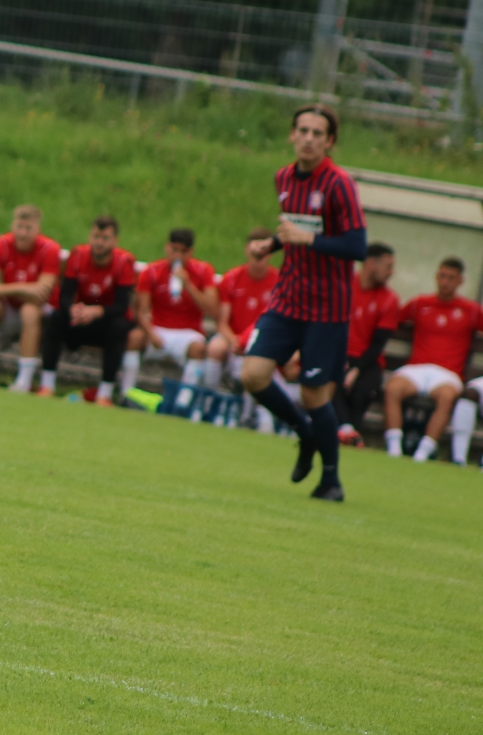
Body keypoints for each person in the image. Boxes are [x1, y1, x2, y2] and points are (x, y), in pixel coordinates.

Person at [237, 104, 367, 501]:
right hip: (288, 299)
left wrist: (305, 239)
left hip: (327, 310)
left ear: (330, 142)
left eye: (317, 133)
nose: (309, 139)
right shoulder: (283, 177)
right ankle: (304, 432)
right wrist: (271, 244)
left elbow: (356, 246)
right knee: (253, 374)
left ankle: (331, 480)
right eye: (303, 130)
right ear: (292, 135)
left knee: (314, 395)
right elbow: (295, 229)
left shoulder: (339, 184)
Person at [381, 258, 480, 460]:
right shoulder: (419, 303)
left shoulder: (471, 311)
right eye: (442, 276)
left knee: (447, 397)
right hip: (416, 369)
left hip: (448, 373)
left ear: (460, 281)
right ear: (436, 276)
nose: (445, 282)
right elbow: (391, 320)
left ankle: (423, 453)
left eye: (451, 278)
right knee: (393, 388)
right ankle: (394, 448)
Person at [37, 215, 135, 403]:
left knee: (119, 327)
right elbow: (65, 296)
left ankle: (105, 394)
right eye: (96, 237)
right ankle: (47, 385)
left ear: (115, 241)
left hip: (105, 323)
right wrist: (74, 310)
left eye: (105, 238)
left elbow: (122, 306)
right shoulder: (78, 255)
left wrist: (97, 311)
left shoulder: (124, 262)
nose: (99, 243)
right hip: (79, 319)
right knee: (56, 318)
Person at [0, 204, 61, 390]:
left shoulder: (50, 249)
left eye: (28, 228)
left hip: (39, 313)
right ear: (13, 226)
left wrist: (4, 289)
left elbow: (41, 295)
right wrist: (22, 287)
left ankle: (23, 381)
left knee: (29, 311)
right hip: (10, 307)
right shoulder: (1, 244)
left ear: (38, 229)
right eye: (19, 227)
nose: (23, 233)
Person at [125, 228, 218, 395]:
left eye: (183, 252)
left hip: (188, 332)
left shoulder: (203, 271)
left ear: (191, 252)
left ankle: (185, 400)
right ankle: (126, 393)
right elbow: (141, 311)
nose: (178, 256)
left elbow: (212, 309)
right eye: (174, 250)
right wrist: (151, 333)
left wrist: (188, 285)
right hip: (157, 330)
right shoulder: (151, 271)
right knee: (134, 338)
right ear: (167, 247)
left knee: (198, 348)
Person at [337, 242, 399, 446]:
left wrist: (355, 368)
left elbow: (378, 344)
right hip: (338, 354)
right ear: (371, 264)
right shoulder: (343, 286)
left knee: (363, 390)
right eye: (388, 266)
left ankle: (347, 431)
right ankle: (348, 432)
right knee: (330, 380)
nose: (391, 272)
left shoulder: (389, 299)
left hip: (368, 360)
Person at [208, 229, 279, 384]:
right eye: (255, 253)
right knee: (215, 347)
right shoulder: (231, 279)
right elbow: (222, 322)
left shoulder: (279, 283)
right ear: (247, 249)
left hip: (262, 340)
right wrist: (235, 341)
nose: (259, 258)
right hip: (233, 337)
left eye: (263, 253)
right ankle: (208, 394)